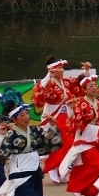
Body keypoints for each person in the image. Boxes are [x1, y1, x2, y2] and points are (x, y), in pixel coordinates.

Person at [60, 74, 99, 196]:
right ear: (84, 89)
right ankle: (78, 186)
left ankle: (89, 193)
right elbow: (74, 121)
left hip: (96, 136)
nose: (94, 88)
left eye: (95, 85)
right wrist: (71, 110)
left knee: (89, 166)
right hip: (85, 138)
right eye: (91, 86)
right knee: (96, 165)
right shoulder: (81, 103)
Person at [32, 56, 78, 184]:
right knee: (58, 141)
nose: (63, 70)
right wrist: (47, 77)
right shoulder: (48, 83)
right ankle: (52, 167)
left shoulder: (65, 81)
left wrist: (85, 73)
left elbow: (77, 83)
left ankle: (59, 168)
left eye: (62, 68)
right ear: (53, 70)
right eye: (60, 68)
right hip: (52, 113)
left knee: (68, 142)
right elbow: (38, 97)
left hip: (64, 114)